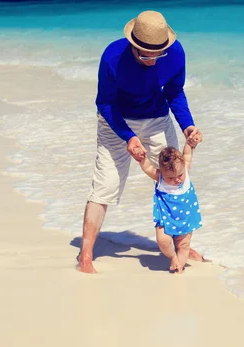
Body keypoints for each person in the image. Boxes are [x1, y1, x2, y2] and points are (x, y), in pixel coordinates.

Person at [78, 10, 204, 274]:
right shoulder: (113, 57)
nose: (153, 60)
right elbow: (106, 103)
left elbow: (174, 92)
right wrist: (129, 136)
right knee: (106, 186)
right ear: (134, 45)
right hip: (117, 121)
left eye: (158, 54)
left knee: (175, 177)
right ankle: (86, 253)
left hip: (157, 118)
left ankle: (181, 243)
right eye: (146, 55)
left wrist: (188, 126)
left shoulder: (175, 53)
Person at [139, 143, 202, 273]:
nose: (177, 180)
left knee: (183, 245)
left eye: (179, 175)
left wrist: (189, 143)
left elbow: (188, 154)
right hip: (165, 217)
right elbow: (147, 168)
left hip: (185, 218)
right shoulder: (160, 178)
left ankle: (179, 268)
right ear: (162, 172)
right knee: (163, 241)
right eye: (171, 178)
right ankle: (173, 257)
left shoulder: (185, 170)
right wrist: (142, 159)